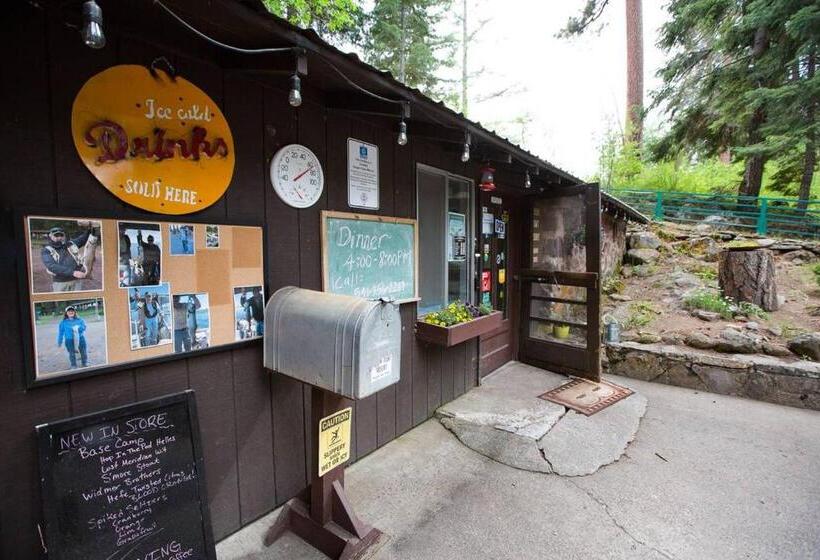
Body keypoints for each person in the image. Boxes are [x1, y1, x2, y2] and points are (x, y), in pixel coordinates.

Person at [41, 224, 97, 292]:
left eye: (61, 235)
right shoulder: (46, 250)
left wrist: (91, 229)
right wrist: (73, 272)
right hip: (60, 282)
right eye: (56, 235)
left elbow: (84, 238)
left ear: (64, 236)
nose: (59, 237)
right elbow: (51, 266)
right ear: (51, 236)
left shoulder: (71, 243)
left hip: (76, 281)